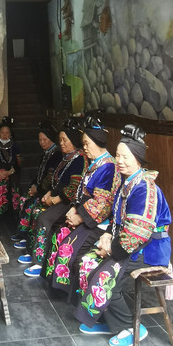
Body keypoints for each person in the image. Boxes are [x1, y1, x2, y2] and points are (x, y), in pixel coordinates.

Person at [75, 124, 172, 346]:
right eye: (117, 155)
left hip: (149, 250)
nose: (119, 161)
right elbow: (117, 219)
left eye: (125, 157)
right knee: (87, 263)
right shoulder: (126, 183)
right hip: (128, 244)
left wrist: (110, 249)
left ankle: (131, 327)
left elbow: (137, 234)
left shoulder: (144, 188)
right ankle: (107, 320)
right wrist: (107, 236)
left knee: (105, 278)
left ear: (138, 159)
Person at [45, 113, 115, 294]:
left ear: (98, 143)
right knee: (59, 234)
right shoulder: (95, 164)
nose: (84, 147)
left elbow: (103, 204)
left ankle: (66, 289)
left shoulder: (108, 167)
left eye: (87, 144)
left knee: (68, 248)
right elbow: (81, 193)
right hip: (83, 214)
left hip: (97, 223)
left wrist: (79, 217)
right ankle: (57, 285)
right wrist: (73, 209)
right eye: (83, 144)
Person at [20, 118, 87, 276]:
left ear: (73, 140)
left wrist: (55, 199)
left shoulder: (79, 159)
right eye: (60, 140)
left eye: (65, 140)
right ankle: (35, 251)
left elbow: (74, 187)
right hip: (57, 196)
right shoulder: (66, 158)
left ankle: (39, 262)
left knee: (44, 218)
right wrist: (49, 193)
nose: (61, 143)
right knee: (36, 210)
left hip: (68, 201)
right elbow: (56, 181)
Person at [11, 122, 61, 251]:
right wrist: (33, 185)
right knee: (23, 199)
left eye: (45, 139)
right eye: (40, 140)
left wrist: (37, 189)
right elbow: (39, 174)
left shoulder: (57, 154)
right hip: (39, 188)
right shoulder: (46, 153)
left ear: (51, 139)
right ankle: (24, 234)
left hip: (47, 191)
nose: (42, 142)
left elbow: (49, 179)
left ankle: (28, 240)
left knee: (31, 205)